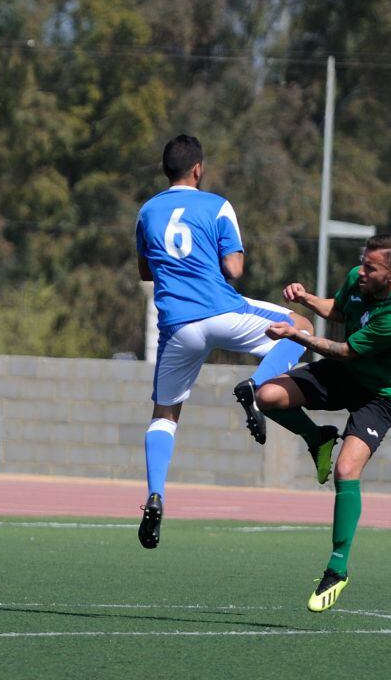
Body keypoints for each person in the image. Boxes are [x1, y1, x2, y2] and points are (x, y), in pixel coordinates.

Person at [135, 134, 313, 549]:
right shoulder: (217, 205)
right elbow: (233, 267)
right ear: (198, 168)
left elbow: (146, 271)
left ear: (167, 170)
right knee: (300, 327)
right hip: (221, 311)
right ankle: (256, 386)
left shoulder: (147, 211)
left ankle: (154, 495)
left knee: (165, 414)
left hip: (178, 327)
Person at [234, 234, 391, 612]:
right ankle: (317, 437)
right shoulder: (359, 278)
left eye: (371, 267)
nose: (362, 271)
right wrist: (306, 300)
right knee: (268, 396)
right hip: (344, 375)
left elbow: (347, 350)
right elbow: (338, 310)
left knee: (346, 470)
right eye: (363, 262)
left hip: (382, 394)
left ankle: (337, 568)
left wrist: (297, 335)